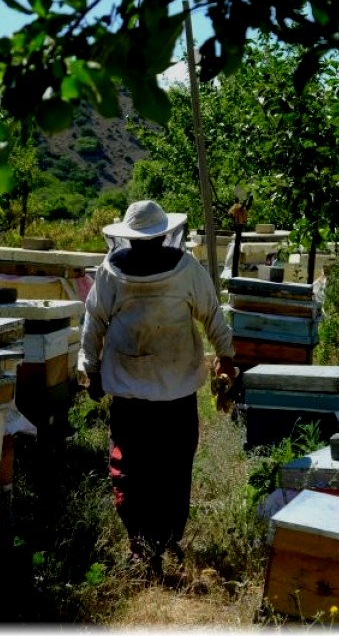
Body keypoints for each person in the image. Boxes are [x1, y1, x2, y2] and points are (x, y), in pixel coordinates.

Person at [80, 200, 237, 574]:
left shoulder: (121, 271)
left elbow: (93, 323)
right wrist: (91, 368)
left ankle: (154, 542)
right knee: (161, 470)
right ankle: (148, 542)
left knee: (154, 470)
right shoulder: (173, 270)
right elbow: (95, 321)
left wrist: (93, 369)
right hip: (167, 395)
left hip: (144, 395)